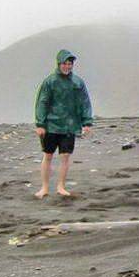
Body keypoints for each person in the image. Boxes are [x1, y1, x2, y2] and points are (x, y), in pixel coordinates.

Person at [34, 49, 93, 198]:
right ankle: (45, 187)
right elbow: (42, 102)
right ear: (59, 64)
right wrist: (40, 124)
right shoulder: (50, 81)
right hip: (51, 125)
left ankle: (61, 186)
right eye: (65, 64)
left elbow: (85, 102)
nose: (67, 66)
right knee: (48, 155)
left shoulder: (78, 82)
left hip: (70, 125)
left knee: (65, 156)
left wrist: (87, 122)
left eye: (70, 64)